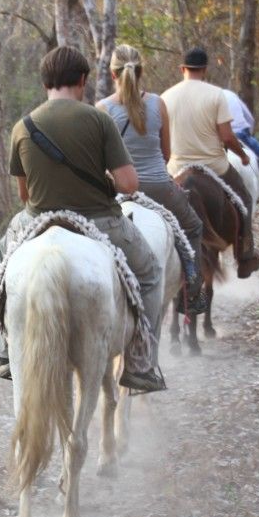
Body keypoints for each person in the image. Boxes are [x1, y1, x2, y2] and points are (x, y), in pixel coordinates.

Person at [0, 46, 167, 393]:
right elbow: (129, 184)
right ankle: (142, 364)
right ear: (82, 80)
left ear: (45, 82)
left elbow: (24, 195)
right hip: (100, 221)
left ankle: (3, 353)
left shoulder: (22, 128)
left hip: (37, 221)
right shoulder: (98, 119)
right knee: (151, 273)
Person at [95, 44, 208, 315]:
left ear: (112, 75)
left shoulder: (102, 109)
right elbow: (167, 153)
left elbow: (99, 162)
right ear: (142, 72)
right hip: (160, 187)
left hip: (118, 191)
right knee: (193, 228)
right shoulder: (158, 104)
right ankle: (191, 293)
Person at [161, 47, 259, 278]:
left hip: (177, 168)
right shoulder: (216, 94)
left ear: (182, 69)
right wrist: (243, 155)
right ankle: (245, 257)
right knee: (244, 199)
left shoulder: (165, 97)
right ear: (205, 69)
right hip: (214, 166)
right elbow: (227, 136)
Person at [221, 88, 259, 203]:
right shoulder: (231, 95)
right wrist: (250, 133)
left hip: (220, 137)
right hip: (240, 134)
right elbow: (249, 118)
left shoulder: (210, 99)